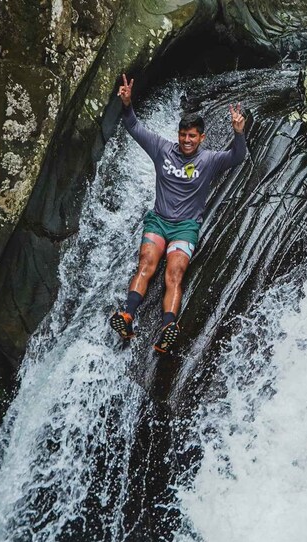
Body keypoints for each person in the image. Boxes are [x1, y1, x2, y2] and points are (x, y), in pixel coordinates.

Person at [109, 73, 248, 353]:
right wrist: (126, 104)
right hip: (158, 221)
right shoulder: (162, 149)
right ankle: (126, 315)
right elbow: (134, 126)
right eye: (183, 135)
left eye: (192, 136)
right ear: (178, 135)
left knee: (174, 273)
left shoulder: (208, 160)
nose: (187, 140)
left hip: (185, 227)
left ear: (201, 137)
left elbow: (238, 157)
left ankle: (167, 328)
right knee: (147, 264)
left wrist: (238, 132)